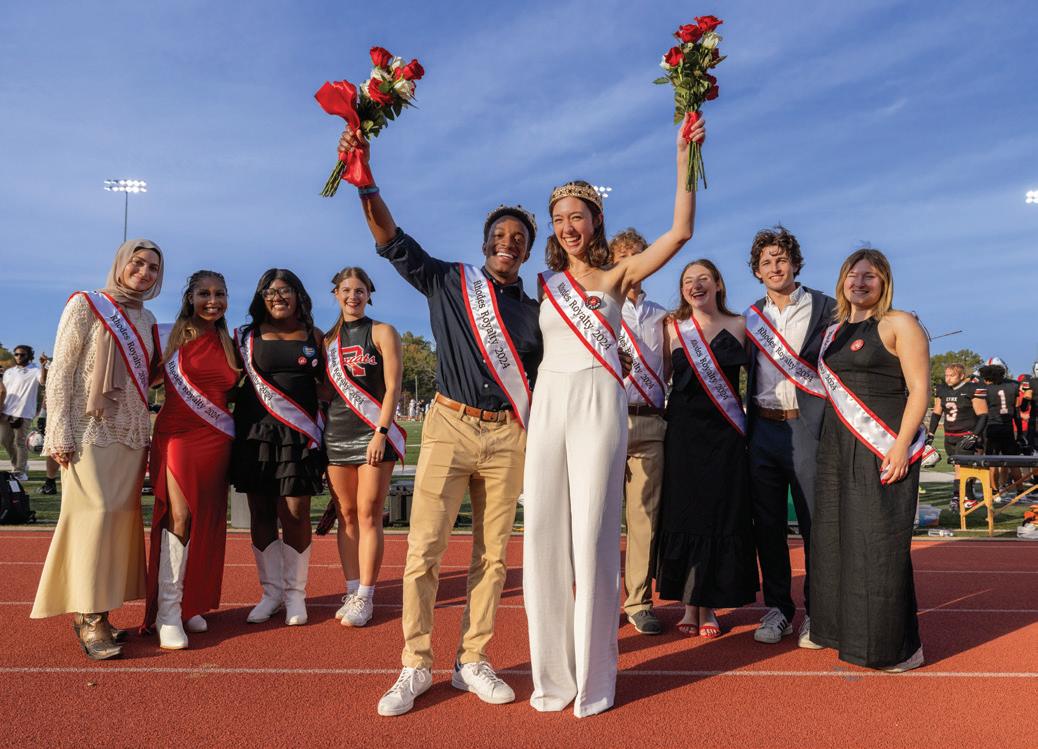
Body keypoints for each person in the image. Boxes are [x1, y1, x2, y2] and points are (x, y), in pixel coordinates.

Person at [337, 126, 542, 717]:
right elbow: (389, 239)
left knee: (494, 556)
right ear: (485, 244)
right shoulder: (449, 281)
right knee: (424, 550)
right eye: (500, 235)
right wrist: (365, 183)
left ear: (527, 252)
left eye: (519, 239)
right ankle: (416, 664)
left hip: (508, 433)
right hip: (450, 425)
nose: (508, 244)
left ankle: (472, 659)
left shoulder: (537, 312)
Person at [523, 116, 704, 718]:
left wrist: (684, 155)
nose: (567, 226)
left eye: (577, 215)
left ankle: (595, 679)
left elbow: (680, 232)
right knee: (543, 534)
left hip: (601, 401)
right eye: (558, 218)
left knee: (594, 536)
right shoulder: (544, 284)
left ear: (595, 221)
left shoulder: (616, 276)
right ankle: (553, 677)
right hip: (549, 399)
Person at [30, 239, 164, 659]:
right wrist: (58, 431)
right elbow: (62, 372)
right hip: (88, 431)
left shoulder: (147, 318)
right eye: (137, 264)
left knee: (118, 522)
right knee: (94, 516)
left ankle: (101, 611)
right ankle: (87, 616)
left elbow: (149, 378)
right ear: (120, 264)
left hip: (131, 434)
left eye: (153, 268)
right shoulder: (86, 304)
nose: (144, 273)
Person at [809, 247, 929, 672]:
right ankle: (843, 633)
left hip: (881, 445)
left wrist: (900, 445)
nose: (859, 283)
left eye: (869, 276)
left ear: (884, 282)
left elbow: (920, 390)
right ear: (842, 280)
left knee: (878, 544)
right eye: (853, 275)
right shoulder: (833, 331)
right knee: (836, 540)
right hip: (836, 447)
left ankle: (898, 648)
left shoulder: (900, 323)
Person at [741, 226, 836, 647]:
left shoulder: (828, 308)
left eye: (781, 259)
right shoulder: (749, 317)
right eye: (766, 262)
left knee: (815, 525)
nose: (774, 267)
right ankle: (779, 608)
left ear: (795, 263)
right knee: (768, 526)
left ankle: (818, 612)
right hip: (763, 429)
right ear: (757, 272)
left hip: (806, 428)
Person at [655, 260, 758, 638]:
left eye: (703, 279)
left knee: (720, 514)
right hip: (683, 434)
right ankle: (689, 602)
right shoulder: (672, 327)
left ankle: (709, 604)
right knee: (685, 512)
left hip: (726, 436)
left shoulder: (742, 325)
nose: (695, 286)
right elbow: (661, 378)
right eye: (688, 281)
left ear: (718, 284)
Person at [141, 271, 239, 649]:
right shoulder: (166, 336)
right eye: (204, 294)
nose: (212, 301)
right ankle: (167, 611)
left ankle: (190, 603)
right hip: (178, 435)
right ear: (190, 297)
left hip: (216, 439)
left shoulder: (231, 343)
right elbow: (141, 380)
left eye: (219, 294)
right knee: (179, 516)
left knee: (205, 520)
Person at [231, 269, 326, 627]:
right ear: (261, 298)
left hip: (299, 436)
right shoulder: (246, 336)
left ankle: (295, 594)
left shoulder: (315, 335)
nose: (278, 297)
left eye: (285, 290)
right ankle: (270, 594)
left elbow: (329, 385)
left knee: (296, 513)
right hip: (256, 432)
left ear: (298, 295)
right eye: (270, 292)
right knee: (261, 513)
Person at [323, 266, 404, 628]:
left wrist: (381, 432)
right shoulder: (327, 341)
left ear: (369, 294)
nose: (352, 296)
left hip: (372, 433)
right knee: (346, 515)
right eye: (346, 290)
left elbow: (393, 387)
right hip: (336, 434)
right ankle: (352, 589)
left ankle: (367, 596)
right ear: (336, 294)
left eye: (359, 290)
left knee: (369, 513)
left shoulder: (383, 331)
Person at [610, 229, 668, 636]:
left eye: (637, 255)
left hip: (649, 421)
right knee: (599, 519)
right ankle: (597, 601)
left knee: (644, 519)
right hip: (607, 421)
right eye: (622, 256)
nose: (631, 262)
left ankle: (639, 601)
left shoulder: (663, 316)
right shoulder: (598, 308)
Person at [928, 363, 986, 507]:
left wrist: (974, 435)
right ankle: (966, 496)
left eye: (952, 375)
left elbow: (983, 415)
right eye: (946, 375)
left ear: (961, 376)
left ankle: (960, 497)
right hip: (949, 436)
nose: (948, 378)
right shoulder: (942, 390)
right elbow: (936, 413)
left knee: (962, 468)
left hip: (965, 434)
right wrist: (931, 433)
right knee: (958, 468)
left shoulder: (972, 389)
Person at [975, 357, 1024, 498]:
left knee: (992, 462)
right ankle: (1021, 491)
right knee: (1013, 462)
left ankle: (994, 492)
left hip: (991, 428)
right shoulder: (1013, 385)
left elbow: (980, 412)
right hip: (1007, 428)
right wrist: (1020, 433)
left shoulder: (984, 388)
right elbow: (1017, 413)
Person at [1, 345, 48, 481]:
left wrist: (43, 366)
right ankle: (19, 465)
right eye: (16, 354)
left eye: (22, 354)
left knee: (19, 442)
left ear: (29, 356)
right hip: (6, 411)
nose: (19, 357)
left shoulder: (35, 370)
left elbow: (43, 381)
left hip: (23, 412)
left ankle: (20, 471)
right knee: (4, 440)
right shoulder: (9, 372)